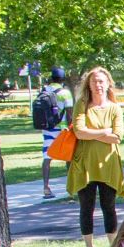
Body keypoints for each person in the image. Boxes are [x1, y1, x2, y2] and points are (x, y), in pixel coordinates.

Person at [64, 65, 124, 247]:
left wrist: (93, 135)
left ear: (108, 84)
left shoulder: (115, 108)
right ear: (88, 85)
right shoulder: (81, 104)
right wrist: (103, 132)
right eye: (94, 81)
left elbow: (117, 137)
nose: (98, 85)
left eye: (101, 81)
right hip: (85, 164)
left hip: (108, 164)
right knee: (86, 206)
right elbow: (79, 131)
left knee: (109, 206)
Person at [35, 65, 73, 199]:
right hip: (62, 129)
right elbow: (69, 113)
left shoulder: (44, 91)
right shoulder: (65, 93)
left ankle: (46, 187)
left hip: (47, 128)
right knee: (68, 157)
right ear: (63, 79)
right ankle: (71, 186)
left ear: (51, 77)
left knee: (47, 157)